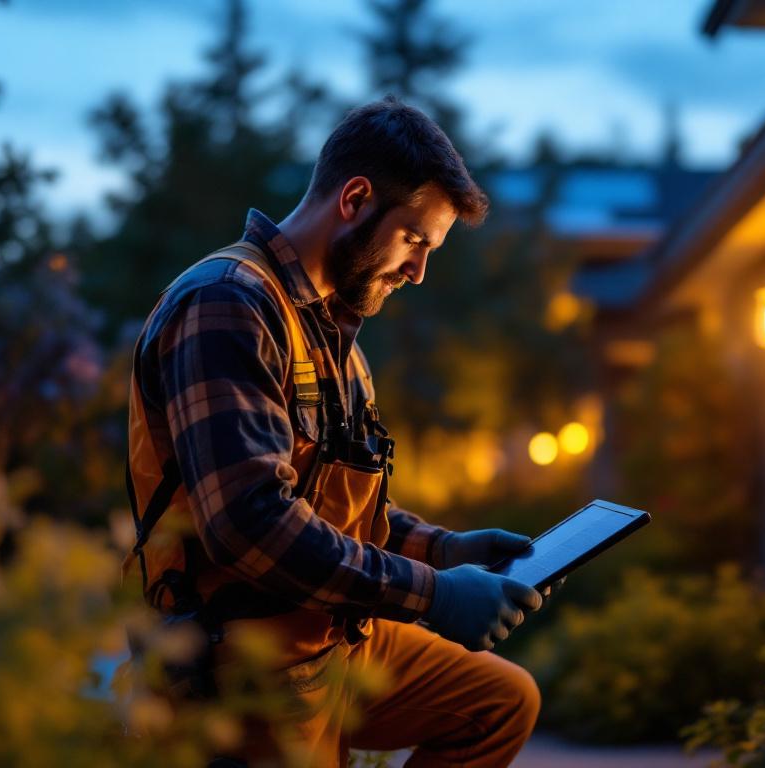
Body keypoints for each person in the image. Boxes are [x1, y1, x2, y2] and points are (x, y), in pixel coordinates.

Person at [124, 97, 549, 766]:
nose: (419, 271)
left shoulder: (337, 341)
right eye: (414, 240)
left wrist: (445, 551)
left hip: (335, 638)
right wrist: (433, 595)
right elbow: (251, 523)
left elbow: (336, 506)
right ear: (354, 199)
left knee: (499, 703)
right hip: (242, 659)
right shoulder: (228, 303)